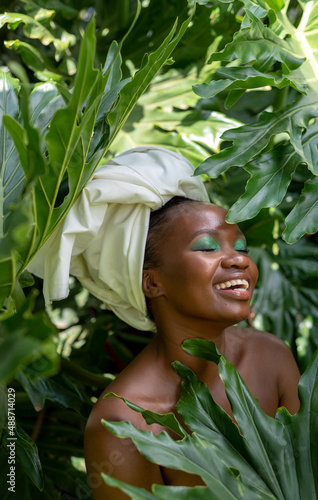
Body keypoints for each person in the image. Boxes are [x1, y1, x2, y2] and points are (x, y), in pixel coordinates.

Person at [27, 147, 300, 499]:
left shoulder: (271, 357)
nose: (238, 260)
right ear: (152, 282)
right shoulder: (125, 423)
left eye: (241, 247)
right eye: (207, 247)